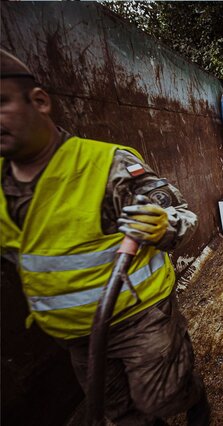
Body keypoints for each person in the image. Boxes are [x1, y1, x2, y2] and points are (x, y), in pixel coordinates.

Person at [0, 49, 210, 425]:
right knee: (119, 410)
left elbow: (175, 208)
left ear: (39, 101)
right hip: (74, 334)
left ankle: (193, 395)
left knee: (163, 395)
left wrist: (163, 225)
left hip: (140, 315)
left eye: (1, 103)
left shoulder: (106, 165)